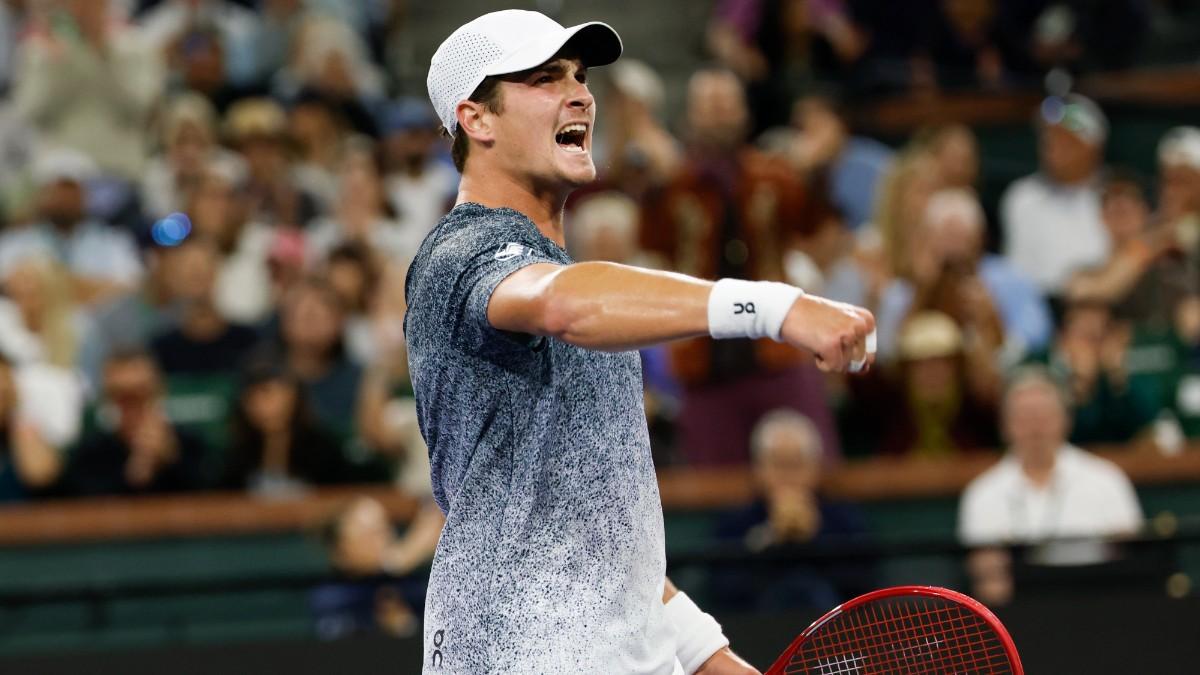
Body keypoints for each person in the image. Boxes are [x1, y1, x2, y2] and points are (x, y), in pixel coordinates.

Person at [407, 10, 874, 675]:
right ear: (477, 120)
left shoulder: (591, 295)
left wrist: (719, 662)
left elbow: (611, 540)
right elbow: (560, 304)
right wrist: (773, 305)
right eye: (545, 79)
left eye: (579, 75)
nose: (580, 93)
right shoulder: (462, 250)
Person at [641, 67, 841, 466]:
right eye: (708, 107)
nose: (718, 116)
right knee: (712, 489)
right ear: (689, 117)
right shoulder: (672, 185)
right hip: (703, 361)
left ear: (745, 113)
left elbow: (818, 231)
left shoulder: (776, 177)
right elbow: (651, 249)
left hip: (777, 351)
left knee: (816, 468)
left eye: (726, 105)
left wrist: (817, 165)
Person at [958, 367, 1143, 558]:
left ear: (1067, 419)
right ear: (1004, 425)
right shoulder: (982, 495)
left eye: (1043, 415)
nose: (1035, 427)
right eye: (1024, 417)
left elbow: (1129, 563)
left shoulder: (1107, 481)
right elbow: (986, 579)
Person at [713, 410, 873, 610]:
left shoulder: (844, 520)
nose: (787, 476)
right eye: (778, 464)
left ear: (816, 467)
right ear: (758, 469)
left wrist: (814, 537)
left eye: (796, 464)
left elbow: (862, 588)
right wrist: (770, 537)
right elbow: (726, 593)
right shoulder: (735, 523)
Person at [1000, 94, 1110, 298]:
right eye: (1048, 136)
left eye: (1065, 138)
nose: (1052, 145)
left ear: (1092, 146)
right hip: (1034, 309)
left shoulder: (1115, 196)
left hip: (1097, 306)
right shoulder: (1022, 197)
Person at [63, 350, 208, 496]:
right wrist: (134, 474)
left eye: (140, 393)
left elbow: (212, 493)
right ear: (107, 398)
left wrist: (171, 458)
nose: (131, 406)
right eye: (120, 395)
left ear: (160, 391)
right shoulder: (90, 456)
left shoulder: (192, 446)